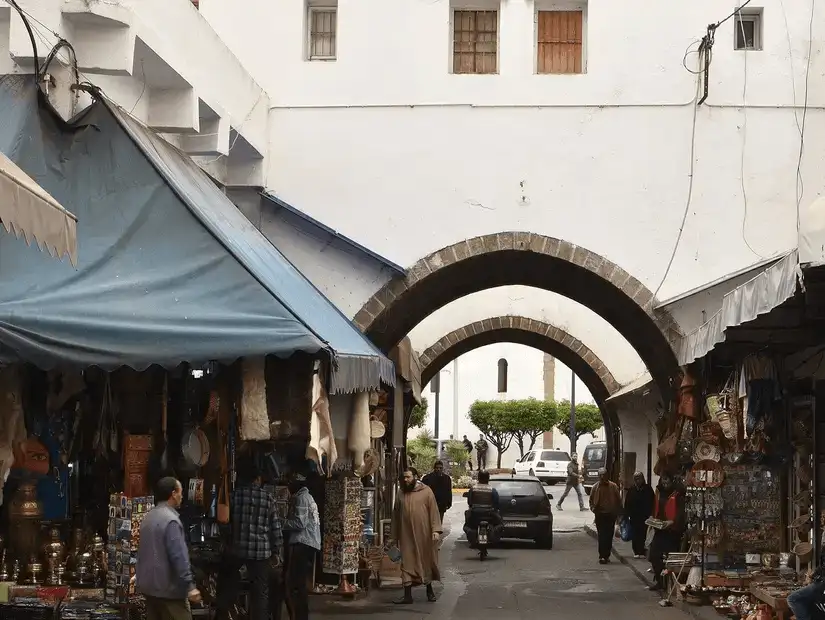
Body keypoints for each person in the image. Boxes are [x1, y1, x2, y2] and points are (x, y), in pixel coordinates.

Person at [215, 458, 283, 620]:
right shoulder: (268, 499)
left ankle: (223, 615)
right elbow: (276, 529)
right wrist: (276, 551)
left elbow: (224, 524)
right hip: (260, 553)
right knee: (260, 593)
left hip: (236, 550)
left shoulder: (234, 496)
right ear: (258, 479)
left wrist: (227, 541)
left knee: (228, 586)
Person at [136, 477, 201, 620]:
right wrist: (190, 586)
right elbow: (178, 556)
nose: (182, 496)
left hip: (149, 588)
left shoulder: (149, 517)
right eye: (180, 492)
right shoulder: (170, 520)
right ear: (173, 494)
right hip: (168, 591)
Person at [391, 468, 442, 604]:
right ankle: (407, 596)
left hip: (423, 535)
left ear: (415, 477)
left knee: (425, 561)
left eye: (408, 477)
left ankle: (429, 591)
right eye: (404, 478)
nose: (405, 480)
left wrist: (435, 530)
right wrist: (393, 536)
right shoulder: (401, 492)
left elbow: (434, 511)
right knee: (406, 563)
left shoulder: (426, 491)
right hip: (405, 534)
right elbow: (396, 515)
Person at [282, 473, 321, 620]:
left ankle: (300, 615)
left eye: (289, 484)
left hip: (302, 543)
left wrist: (280, 523)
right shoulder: (307, 497)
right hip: (307, 543)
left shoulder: (300, 498)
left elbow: (300, 523)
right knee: (299, 583)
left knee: (296, 583)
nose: (288, 487)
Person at [648, 475, 685, 591]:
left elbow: (681, 512)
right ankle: (660, 581)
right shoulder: (659, 492)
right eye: (663, 481)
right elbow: (655, 507)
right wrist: (653, 519)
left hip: (672, 531)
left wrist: (673, 522)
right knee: (654, 556)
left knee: (670, 558)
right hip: (659, 529)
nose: (665, 484)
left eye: (667, 481)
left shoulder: (678, 494)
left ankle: (669, 584)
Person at [589, 467, 622, 564]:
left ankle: (606, 554)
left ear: (607, 475)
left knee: (609, 535)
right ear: (598, 476)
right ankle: (602, 556)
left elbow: (618, 501)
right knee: (602, 535)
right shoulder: (595, 487)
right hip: (600, 515)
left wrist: (618, 514)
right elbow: (591, 500)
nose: (602, 477)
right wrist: (593, 509)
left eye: (604, 474)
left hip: (610, 514)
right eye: (600, 475)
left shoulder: (613, 486)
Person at [463, 470, 502, 546]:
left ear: (478, 478)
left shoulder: (473, 489)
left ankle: (472, 535)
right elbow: (496, 503)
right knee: (500, 523)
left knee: (467, 525)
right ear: (488, 478)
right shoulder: (492, 490)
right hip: (489, 514)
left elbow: (469, 502)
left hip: (475, 514)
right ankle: (493, 534)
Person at [788, 544, 825, 620]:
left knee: (792, 598)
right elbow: (822, 566)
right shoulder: (824, 548)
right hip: (820, 582)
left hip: (822, 584)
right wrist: (813, 575)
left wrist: (815, 578)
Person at [624, 472, 655, 558]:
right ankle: (636, 551)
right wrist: (626, 514)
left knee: (644, 533)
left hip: (645, 516)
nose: (638, 481)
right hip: (634, 517)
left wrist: (651, 514)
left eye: (639, 478)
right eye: (636, 479)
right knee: (635, 534)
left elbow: (652, 502)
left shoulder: (648, 489)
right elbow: (627, 503)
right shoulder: (632, 489)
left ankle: (643, 551)